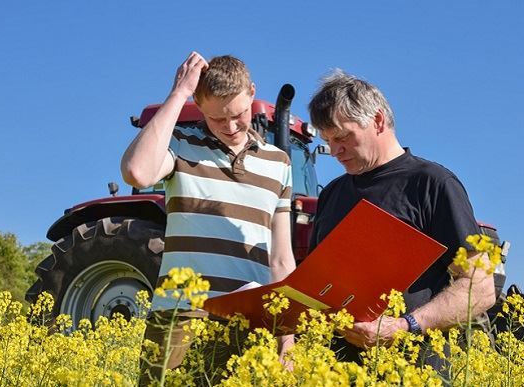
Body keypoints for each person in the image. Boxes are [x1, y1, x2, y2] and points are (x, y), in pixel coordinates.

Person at [121, 52, 296, 384]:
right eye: (217, 118)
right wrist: (178, 93)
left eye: (239, 114)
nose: (230, 127)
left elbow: (282, 259)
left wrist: (286, 339)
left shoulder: (280, 163)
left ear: (253, 93)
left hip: (251, 322)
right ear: (199, 108)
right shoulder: (180, 146)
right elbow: (137, 171)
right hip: (182, 315)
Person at [307, 70, 496, 372]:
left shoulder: (432, 184)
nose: (334, 151)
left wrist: (404, 325)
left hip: (415, 370)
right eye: (327, 141)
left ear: (378, 121)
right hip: (337, 370)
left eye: (343, 136)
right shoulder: (331, 194)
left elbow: (481, 288)